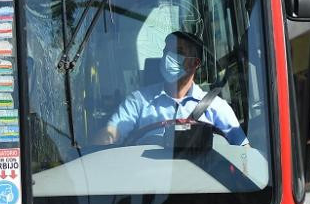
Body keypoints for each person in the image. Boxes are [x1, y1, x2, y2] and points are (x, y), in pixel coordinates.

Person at [95, 31, 248, 147]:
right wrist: (100, 143)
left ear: (195, 63)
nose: (169, 56)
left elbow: (243, 152)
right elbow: (113, 131)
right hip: (146, 183)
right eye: (167, 50)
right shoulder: (139, 101)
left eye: (179, 52)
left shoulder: (215, 106)